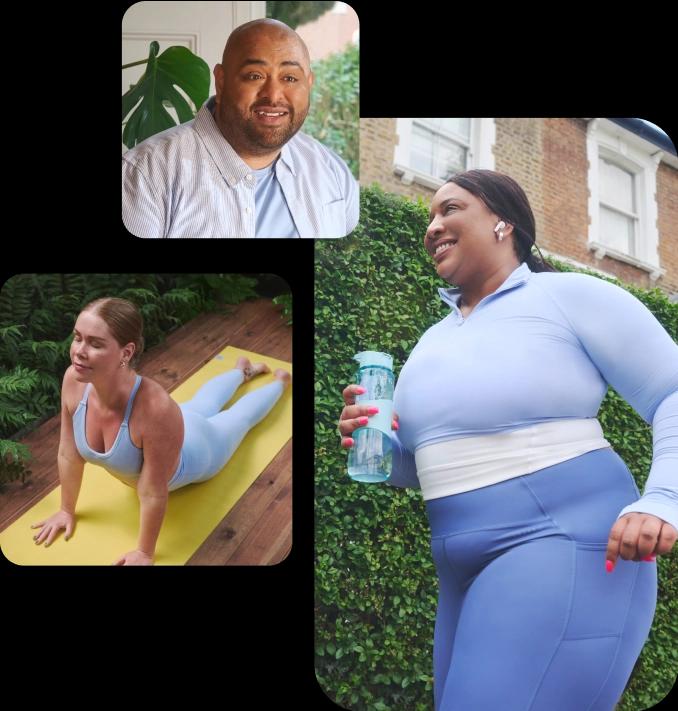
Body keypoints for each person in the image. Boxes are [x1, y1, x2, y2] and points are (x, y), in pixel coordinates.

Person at [337, 170, 678, 710]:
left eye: (450, 209)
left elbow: (672, 392)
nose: (432, 225)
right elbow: (427, 466)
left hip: (564, 540)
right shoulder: (433, 339)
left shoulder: (569, 296)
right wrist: (379, 447)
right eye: (429, 216)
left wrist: (664, 499)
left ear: (503, 222)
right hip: (457, 562)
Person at [31, 297, 291, 565]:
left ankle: (280, 382)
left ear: (126, 352)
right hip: (173, 426)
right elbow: (68, 453)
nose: (79, 351)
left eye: (95, 344)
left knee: (239, 418)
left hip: (201, 449)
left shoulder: (155, 408)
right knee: (203, 403)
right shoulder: (74, 381)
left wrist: (144, 552)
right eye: (77, 338)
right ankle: (241, 372)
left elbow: (152, 491)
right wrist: (65, 510)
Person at [122, 18, 359, 239]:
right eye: (255, 76)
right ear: (221, 81)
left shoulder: (332, 171)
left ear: (309, 84)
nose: (274, 95)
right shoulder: (145, 176)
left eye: (289, 78)